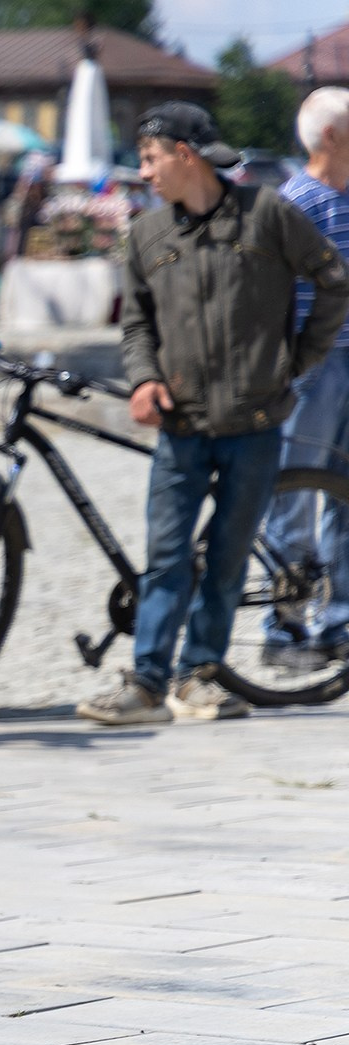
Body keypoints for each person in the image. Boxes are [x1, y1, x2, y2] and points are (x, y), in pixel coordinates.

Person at [80, 103, 349, 726]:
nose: (143, 172)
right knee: (168, 558)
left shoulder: (269, 214)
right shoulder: (148, 235)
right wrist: (144, 378)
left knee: (228, 558)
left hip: (255, 425)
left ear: (185, 154)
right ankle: (147, 684)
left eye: (149, 159)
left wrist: (301, 359)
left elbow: (333, 280)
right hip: (182, 427)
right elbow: (136, 324)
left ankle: (198, 676)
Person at [262, 87, 349, 667]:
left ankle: (338, 622)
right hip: (313, 369)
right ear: (332, 138)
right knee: (294, 491)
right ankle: (283, 626)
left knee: (346, 497)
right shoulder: (295, 204)